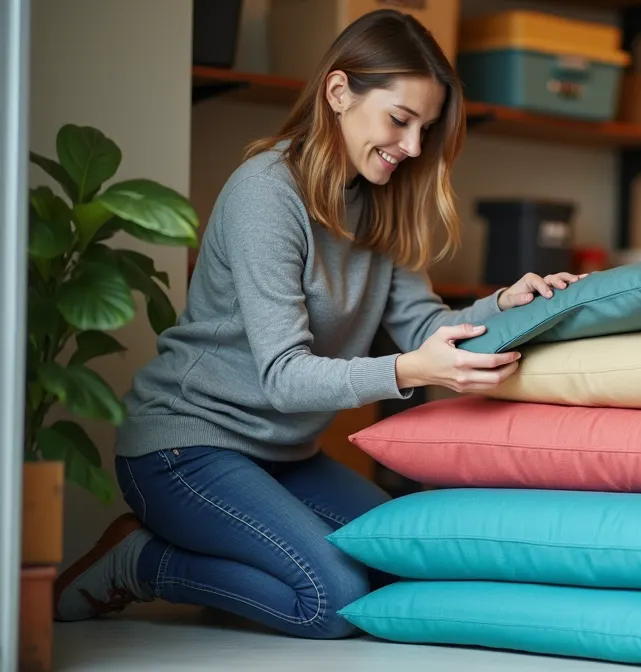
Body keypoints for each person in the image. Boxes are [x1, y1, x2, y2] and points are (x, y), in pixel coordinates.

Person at [50, 9, 582, 639]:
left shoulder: (383, 203)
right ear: (338, 93)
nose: (412, 147)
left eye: (425, 128)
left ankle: (232, 570)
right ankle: (141, 562)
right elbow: (283, 377)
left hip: (284, 455)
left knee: (399, 570)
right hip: (186, 447)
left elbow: (424, 327)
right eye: (399, 120)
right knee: (333, 602)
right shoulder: (266, 191)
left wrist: (506, 305)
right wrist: (410, 372)